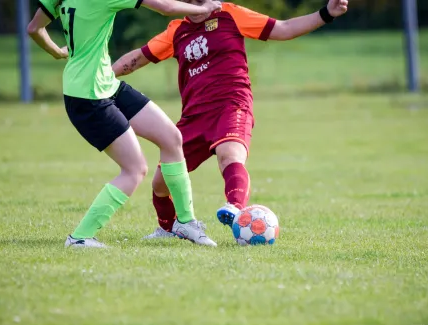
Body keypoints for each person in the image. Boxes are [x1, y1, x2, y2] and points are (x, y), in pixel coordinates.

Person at [111, 0, 349, 240]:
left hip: (232, 104)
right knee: (161, 184)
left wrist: (326, 13)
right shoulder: (176, 31)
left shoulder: (230, 14)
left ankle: (235, 207)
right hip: (194, 117)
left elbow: (284, 28)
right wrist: (99, 75)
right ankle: (168, 229)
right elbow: (136, 59)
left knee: (230, 154)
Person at [27, 0, 223, 248]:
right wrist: (204, 9)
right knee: (135, 169)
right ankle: (79, 238)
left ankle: (185, 223)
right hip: (87, 97)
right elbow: (166, 7)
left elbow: (34, 29)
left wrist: (57, 51)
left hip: (105, 84)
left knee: (171, 138)